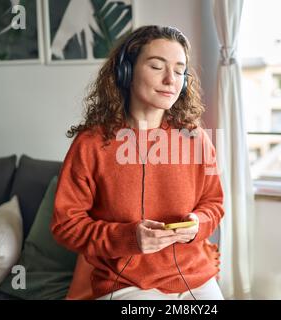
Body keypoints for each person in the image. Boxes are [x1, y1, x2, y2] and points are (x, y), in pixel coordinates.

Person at [51, 25, 224, 300]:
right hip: (127, 283)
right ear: (126, 72)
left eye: (179, 71)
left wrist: (196, 224)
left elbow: (213, 205)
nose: (171, 79)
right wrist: (128, 238)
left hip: (195, 276)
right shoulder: (91, 144)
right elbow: (66, 225)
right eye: (157, 66)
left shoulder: (196, 138)